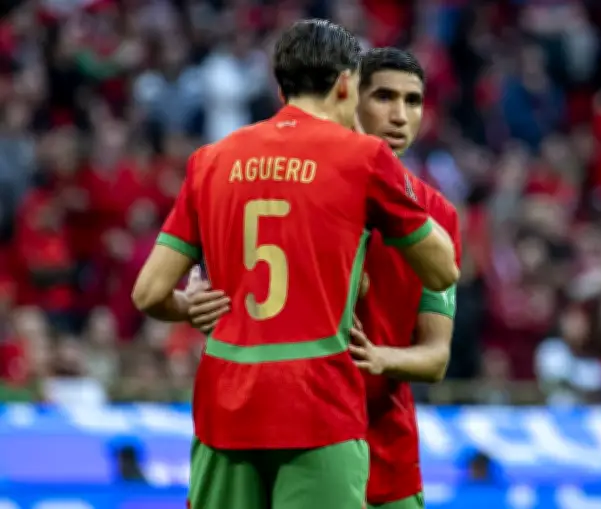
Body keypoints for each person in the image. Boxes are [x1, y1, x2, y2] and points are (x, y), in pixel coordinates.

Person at [131, 20, 459, 509]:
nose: (397, 116)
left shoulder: (211, 160)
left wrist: (189, 306)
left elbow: (147, 294)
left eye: (411, 102)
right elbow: (444, 270)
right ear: (348, 83)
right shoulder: (363, 159)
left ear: (279, 83)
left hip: (225, 405)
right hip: (317, 404)